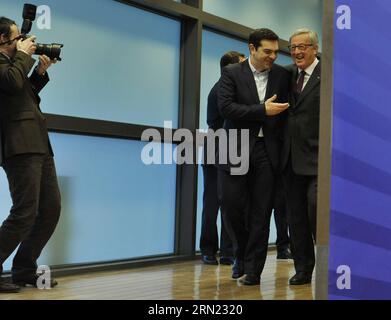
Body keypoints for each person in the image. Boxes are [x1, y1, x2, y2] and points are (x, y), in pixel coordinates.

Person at [218, 28, 290, 285]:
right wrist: (262, 110)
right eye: (267, 51)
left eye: (276, 52)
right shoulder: (232, 73)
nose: (272, 56)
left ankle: (254, 269)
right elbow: (226, 108)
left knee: (262, 212)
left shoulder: (283, 75)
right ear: (252, 49)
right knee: (230, 205)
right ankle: (240, 253)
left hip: (267, 152)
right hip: (234, 147)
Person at [0, 17, 61, 293]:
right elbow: (11, 83)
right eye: (16, 38)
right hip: (19, 146)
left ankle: (24, 268)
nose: (23, 42)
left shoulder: (15, 66)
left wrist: (38, 72)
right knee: (24, 212)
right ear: (2, 41)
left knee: (50, 209)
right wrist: (24, 56)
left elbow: (24, 95)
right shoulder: (5, 67)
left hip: (38, 143)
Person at [281, 28, 320, 285]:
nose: (296, 52)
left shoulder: (330, 73)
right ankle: (303, 269)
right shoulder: (286, 74)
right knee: (295, 219)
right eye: (293, 47)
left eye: (302, 46)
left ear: (315, 48)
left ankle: (330, 265)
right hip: (290, 159)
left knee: (316, 212)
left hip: (319, 159)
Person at [200, 51, 245, 266]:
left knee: (229, 199)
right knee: (213, 201)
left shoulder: (229, 89)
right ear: (230, 68)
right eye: (242, 65)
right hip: (217, 145)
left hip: (229, 146)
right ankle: (209, 249)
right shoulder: (222, 90)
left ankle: (227, 251)